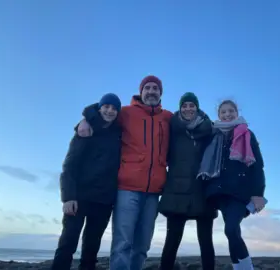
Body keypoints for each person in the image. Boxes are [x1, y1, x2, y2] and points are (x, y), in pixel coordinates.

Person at [77, 75, 172, 270]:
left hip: (154, 191)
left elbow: (192, 120)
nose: (152, 91)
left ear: (160, 93)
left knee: (142, 245)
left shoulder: (168, 118)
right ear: (141, 91)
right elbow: (101, 110)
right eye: (148, 88)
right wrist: (85, 120)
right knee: (122, 243)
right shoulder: (126, 113)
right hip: (127, 188)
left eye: (155, 88)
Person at [51, 93, 122, 270]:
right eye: (106, 106)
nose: (110, 111)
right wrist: (67, 197)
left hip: (103, 200)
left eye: (114, 108)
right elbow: (69, 164)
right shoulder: (86, 130)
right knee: (68, 243)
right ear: (100, 108)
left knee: (91, 249)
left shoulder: (118, 133)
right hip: (79, 197)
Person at [197, 100, 267, 270]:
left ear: (237, 113)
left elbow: (257, 166)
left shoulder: (246, 134)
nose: (227, 115)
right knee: (233, 233)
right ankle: (239, 267)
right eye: (223, 112)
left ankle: (247, 267)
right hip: (219, 193)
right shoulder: (215, 134)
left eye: (231, 111)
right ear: (218, 115)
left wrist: (258, 193)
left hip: (239, 193)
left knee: (230, 230)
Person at [158, 92, 216, 270]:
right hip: (177, 190)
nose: (188, 109)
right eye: (185, 105)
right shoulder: (172, 127)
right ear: (180, 108)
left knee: (206, 241)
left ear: (197, 108)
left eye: (192, 105)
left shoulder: (210, 129)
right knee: (172, 241)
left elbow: (228, 131)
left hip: (203, 190)